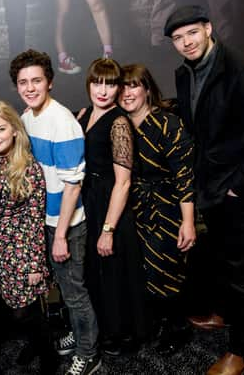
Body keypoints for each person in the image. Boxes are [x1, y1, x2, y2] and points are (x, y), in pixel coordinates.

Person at [164, 5, 244, 375]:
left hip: (237, 192)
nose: (186, 42)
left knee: (241, 270)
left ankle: (243, 350)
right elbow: (198, 126)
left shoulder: (242, 71)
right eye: (178, 38)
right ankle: (227, 314)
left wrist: (239, 187)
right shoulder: (185, 74)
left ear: (209, 29)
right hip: (209, 189)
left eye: (192, 34)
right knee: (221, 261)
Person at [10, 49, 100, 375]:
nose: (30, 87)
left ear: (50, 82)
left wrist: (60, 235)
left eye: (37, 80)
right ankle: (78, 337)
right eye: (23, 82)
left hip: (66, 223)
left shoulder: (62, 123)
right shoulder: (27, 118)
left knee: (74, 293)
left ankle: (90, 353)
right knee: (64, 288)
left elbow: (73, 185)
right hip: (44, 220)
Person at [118, 63, 195, 356]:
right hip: (135, 208)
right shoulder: (121, 126)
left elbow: (184, 176)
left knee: (166, 268)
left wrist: (188, 222)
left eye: (134, 85)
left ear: (147, 89)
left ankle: (179, 327)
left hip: (167, 207)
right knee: (143, 270)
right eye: (122, 87)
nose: (127, 93)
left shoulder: (168, 124)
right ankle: (158, 322)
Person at [0, 100, 59, 373]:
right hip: (0, 251)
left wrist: (36, 264)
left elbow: (35, 219)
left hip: (24, 252)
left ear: (14, 130)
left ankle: (49, 354)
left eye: (0, 129)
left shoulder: (29, 168)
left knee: (25, 311)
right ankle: (37, 344)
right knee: (13, 308)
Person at [77, 59, 145, 355]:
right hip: (89, 200)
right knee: (96, 272)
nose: (103, 91)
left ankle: (123, 335)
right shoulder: (83, 114)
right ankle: (105, 330)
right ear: (89, 84)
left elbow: (124, 182)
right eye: (97, 83)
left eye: (111, 84)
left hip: (110, 204)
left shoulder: (118, 122)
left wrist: (108, 228)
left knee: (115, 272)